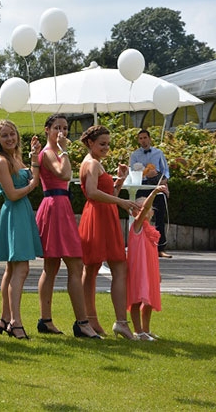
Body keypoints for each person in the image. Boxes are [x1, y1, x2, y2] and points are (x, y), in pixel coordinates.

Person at [34, 115, 100, 339]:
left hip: (60, 206)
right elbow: (64, 173)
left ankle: (46, 320)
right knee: (73, 265)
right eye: (56, 128)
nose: (61, 132)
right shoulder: (48, 153)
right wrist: (64, 150)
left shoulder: (55, 151)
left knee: (55, 266)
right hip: (55, 207)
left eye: (65, 128)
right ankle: (81, 322)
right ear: (47, 130)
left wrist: (63, 150)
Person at [78, 125, 137, 340]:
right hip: (99, 216)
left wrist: (119, 181)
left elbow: (104, 193)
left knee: (92, 269)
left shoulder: (92, 162)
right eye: (102, 143)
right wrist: (121, 201)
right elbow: (93, 193)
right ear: (91, 143)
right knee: (118, 267)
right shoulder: (92, 163)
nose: (106, 147)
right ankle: (120, 322)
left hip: (99, 215)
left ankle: (91, 319)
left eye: (107, 144)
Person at [0, 120, 43, 340]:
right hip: (14, 213)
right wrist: (32, 186)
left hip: (20, 213)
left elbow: (30, 175)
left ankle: (5, 317)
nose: (10, 138)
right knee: (21, 269)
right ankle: (16, 322)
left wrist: (33, 156)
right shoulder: (2, 161)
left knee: (12, 269)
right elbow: (12, 194)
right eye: (5, 136)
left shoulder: (15, 158)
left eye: (12, 134)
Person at [127, 186, 166, 340]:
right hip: (138, 269)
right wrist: (154, 192)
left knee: (149, 299)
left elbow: (152, 255)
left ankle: (146, 329)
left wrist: (158, 272)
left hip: (149, 269)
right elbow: (145, 208)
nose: (147, 209)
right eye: (142, 207)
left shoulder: (149, 230)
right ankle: (138, 331)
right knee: (137, 299)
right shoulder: (137, 227)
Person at [129, 129, 172, 258]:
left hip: (157, 186)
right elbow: (132, 171)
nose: (143, 140)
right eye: (140, 138)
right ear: (138, 140)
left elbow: (166, 171)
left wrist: (164, 182)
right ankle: (140, 245)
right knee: (141, 216)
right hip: (142, 186)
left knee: (160, 217)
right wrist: (146, 174)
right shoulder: (135, 155)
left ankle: (160, 248)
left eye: (145, 137)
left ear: (149, 138)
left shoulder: (159, 153)